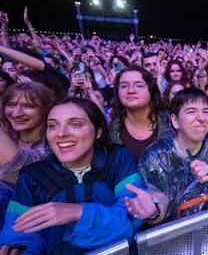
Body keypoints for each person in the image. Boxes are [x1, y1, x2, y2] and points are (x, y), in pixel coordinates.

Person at [0, 97, 146, 254]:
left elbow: (132, 220)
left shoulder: (118, 158)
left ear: (98, 131)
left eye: (75, 124)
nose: (61, 134)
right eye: (53, 126)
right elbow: (20, 237)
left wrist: (78, 212)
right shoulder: (32, 178)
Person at [124, 88, 208, 224]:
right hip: (178, 237)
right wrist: (153, 212)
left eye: (206, 112)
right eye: (191, 111)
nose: (202, 118)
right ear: (175, 121)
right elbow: (159, 208)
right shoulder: (155, 156)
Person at [0, 82, 55, 224]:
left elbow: (20, 170)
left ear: (46, 109)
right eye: (11, 105)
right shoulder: (8, 136)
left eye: (28, 106)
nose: (17, 113)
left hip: (29, 226)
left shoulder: (55, 142)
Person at [110, 66, 171, 161]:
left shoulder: (170, 123)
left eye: (139, 85)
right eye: (124, 86)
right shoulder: (111, 131)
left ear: (151, 90)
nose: (131, 91)